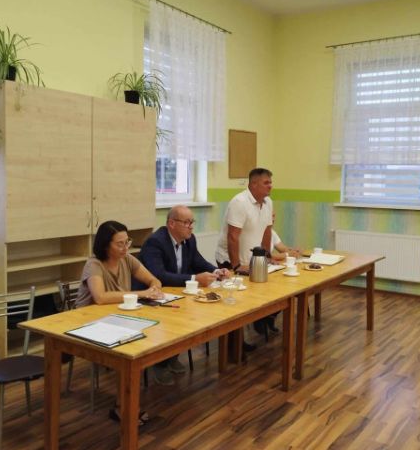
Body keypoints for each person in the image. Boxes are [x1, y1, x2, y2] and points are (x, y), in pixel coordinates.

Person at [75, 219, 163, 426]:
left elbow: (154, 280)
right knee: (130, 351)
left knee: (142, 343)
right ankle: (123, 407)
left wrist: (154, 288)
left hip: (117, 319)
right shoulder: (94, 264)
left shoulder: (127, 259)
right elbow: (100, 297)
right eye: (120, 244)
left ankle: (124, 405)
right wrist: (142, 293)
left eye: (127, 242)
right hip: (88, 324)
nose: (125, 248)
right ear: (106, 245)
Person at [136, 205, 230, 385]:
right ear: (172, 223)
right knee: (171, 319)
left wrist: (217, 271)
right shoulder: (155, 242)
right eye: (186, 223)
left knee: (189, 315)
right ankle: (160, 364)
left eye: (192, 222)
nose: (191, 226)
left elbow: (198, 262)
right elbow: (159, 275)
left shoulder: (189, 239)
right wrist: (195, 278)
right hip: (151, 297)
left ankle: (171, 357)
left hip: (176, 293)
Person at [216, 167, 274, 348]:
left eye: (271, 182)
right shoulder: (239, 202)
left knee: (260, 294)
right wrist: (236, 265)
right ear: (254, 184)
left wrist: (267, 256)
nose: (270, 186)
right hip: (229, 259)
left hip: (253, 259)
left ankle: (260, 322)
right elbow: (232, 236)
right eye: (266, 182)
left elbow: (267, 231)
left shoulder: (268, 202)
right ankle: (234, 346)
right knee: (236, 301)